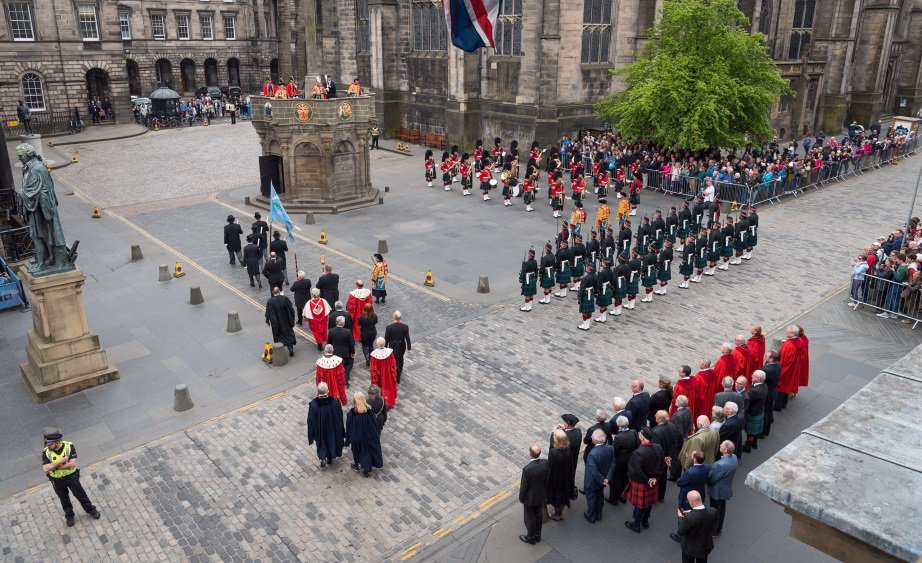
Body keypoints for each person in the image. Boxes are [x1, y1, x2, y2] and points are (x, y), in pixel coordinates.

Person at [16, 144, 69, 273]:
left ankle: (44, 263)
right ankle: (44, 259)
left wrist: (24, 193)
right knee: (38, 236)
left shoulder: (38, 168)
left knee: (40, 236)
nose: (19, 158)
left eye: (21, 156)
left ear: (28, 154)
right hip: (35, 209)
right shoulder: (29, 167)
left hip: (41, 211)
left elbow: (45, 190)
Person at [41, 428, 100, 527]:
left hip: (71, 477)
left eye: (50, 444)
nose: (48, 446)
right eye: (47, 444)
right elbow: (46, 469)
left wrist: (54, 467)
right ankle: (69, 516)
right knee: (64, 499)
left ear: (57, 442)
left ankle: (91, 510)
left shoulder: (69, 446)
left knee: (81, 495)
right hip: (57, 481)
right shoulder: (46, 452)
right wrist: (60, 462)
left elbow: (72, 464)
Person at [622, 428, 664, 533]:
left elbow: (636, 470)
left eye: (640, 434)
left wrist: (647, 480)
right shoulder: (658, 447)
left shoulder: (638, 452)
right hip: (653, 482)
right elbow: (661, 465)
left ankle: (636, 525)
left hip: (641, 482)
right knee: (648, 504)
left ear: (643, 438)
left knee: (639, 506)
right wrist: (655, 479)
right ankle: (645, 521)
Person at [670, 450, 710, 542]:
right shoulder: (707, 467)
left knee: (683, 514)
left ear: (695, 459)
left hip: (687, 497)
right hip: (700, 493)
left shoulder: (690, 472)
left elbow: (680, 483)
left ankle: (680, 535)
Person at [345, 392, 383, 477]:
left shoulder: (351, 414)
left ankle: (356, 465)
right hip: (369, 436)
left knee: (356, 452)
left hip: (357, 437)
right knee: (367, 452)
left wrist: (348, 439)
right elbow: (374, 424)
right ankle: (366, 470)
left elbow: (349, 427)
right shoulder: (370, 412)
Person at [307, 382, 345, 468]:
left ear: (318, 392)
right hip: (332, 428)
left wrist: (312, 433)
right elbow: (339, 415)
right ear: (328, 391)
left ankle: (322, 458)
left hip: (320, 429)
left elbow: (310, 420)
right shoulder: (334, 401)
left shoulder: (314, 404)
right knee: (331, 442)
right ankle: (330, 457)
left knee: (322, 443)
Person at [518, 443, 550, 543]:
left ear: (530, 454)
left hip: (530, 498)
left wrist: (521, 498)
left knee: (530, 518)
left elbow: (524, 486)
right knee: (538, 515)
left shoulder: (527, 469)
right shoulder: (545, 462)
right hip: (540, 495)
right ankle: (537, 535)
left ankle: (531, 537)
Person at [677, 491, 719, 563]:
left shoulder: (689, 518)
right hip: (705, 546)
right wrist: (692, 512)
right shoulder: (713, 511)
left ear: (692, 503)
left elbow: (681, 531)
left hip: (690, 548)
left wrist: (681, 517)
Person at [707, 440, 738, 537]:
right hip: (725, 489)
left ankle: (714, 530)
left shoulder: (720, 465)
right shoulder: (734, 457)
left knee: (715, 510)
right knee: (722, 509)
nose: (720, 445)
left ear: (725, 450)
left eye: (722, 445)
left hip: (717, 491)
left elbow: (712, 479)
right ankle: (719, 529)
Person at [583, 429, 613, 523]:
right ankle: (598, 514)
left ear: (595, 440)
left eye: (592, 436)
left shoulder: (592, 454)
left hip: (593, 481)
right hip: (603, 479)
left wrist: (603, 480)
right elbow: (613, 463)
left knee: (591, 498)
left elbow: (594, 471)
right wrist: (607, 478)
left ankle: (591, 516)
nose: (591, 437)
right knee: (600, 496)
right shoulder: (610, 448)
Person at [606, 416, 637, 506]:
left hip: (619, 462)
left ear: (618, 425)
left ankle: (613, 499)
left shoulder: (619, 438)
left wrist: (613, 440)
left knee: (616, 481)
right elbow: (636, 445)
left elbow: (613, 451)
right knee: (625, 479)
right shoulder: (633, 432)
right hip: (629, 460)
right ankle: (623, 497)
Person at [651, 410, 681, 500]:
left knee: (655, 476)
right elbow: (676, 442)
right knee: (663, 476)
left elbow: (655, 449)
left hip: (659, 458)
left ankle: (653, 495)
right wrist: (669, 456)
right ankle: (661, 495)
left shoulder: (655, 431)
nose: (654, 416)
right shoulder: (672, 426)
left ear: (660, 419)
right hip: (667, 456)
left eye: (656, 416)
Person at [546, 430, 574, 522]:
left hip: (556, 479)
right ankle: (560, 512)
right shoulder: (568, 450)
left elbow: (550, 467)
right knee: (562, 496)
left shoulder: (554, 452)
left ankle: (556, 514)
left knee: (557, 497)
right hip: (565, 477)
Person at [552, 414, 582, 499]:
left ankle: (563, 494)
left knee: (563, 478)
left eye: (564, 422)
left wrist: (555, 432)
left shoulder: (565, 437)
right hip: (573, 459)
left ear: (567, 423)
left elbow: (555, 446)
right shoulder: (578, 431)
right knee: (571, 475)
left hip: (564, 461)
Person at [778, 325, 806, 408]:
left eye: (788, 331)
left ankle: (778, 406)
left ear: (792, 333)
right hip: (792, 369)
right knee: (787, 388)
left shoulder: (789, 345)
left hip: (786, 370)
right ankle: (784, 403)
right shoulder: (799, 341)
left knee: (781, 387)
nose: (786, 332)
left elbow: (784, 360)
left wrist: (779, 371)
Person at [265, 287, 296, 356]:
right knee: (288, 334)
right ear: (279, 291)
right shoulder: (285, 299)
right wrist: (292, 320)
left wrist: (267, 321)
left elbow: (268, 312)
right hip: (286, 321)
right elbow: (291, 309)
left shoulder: (270, 301)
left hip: (276, 323)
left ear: (272, 292)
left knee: (278, 335)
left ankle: (280, 349)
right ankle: (290, 348)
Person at [369, 337, 398, 408]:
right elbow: (393, 364)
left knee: (379, 388)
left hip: (378, 376)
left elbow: (373, 368)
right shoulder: (389, 353)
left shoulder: (374, 355)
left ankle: (380, 402)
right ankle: (389, 402)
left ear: (377, 344)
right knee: (389, 387)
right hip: (388, 375)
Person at [383, 311, 411, 383]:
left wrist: (384, 348)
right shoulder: (405, 327)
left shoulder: (389, 327)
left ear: (394, 317)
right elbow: (407, 337)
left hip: (392, 346)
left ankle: (394, 373)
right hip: (401, 345)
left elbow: (386, 339)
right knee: (400, 358)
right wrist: (409, 347)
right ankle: (399, 372)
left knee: (393, 359)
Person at [327, 316, 355, 386]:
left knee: (336, 366)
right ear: (343, 323)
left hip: (335, 353)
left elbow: (329, 343)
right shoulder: (348, 332)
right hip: (345, 353)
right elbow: (351, 344)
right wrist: (353, 352)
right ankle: (346, 380)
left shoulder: (331, 331)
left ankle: (337, 379)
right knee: (347, 366)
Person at [744, 371, 768, 451]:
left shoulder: (755, 391)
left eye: (753, 376)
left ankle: (748, 446)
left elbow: (747, 399)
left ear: (758, 379)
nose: (751, 376)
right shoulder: (764, 385)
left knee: (750, 432)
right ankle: (755, 443)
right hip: (759, 410)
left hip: (753, 412)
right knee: (756, 431)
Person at [762, 350, 781, 435]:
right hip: (773, 392)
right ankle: (767, 430)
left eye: (767, 356)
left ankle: (763, 432)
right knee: (769, 411)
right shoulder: (777, 365)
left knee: (765, 412)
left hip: (767, 394)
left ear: (771, 359)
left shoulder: (767, 369)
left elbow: (761, 378)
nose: (765, 356)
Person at [519, 248, 539, 312]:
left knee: (527, 294)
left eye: (528, 254)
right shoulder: (535, 261)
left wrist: (521, 278)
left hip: (527, 279)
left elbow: (523, 272)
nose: (528, 255)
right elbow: (536, 271)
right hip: (533, 278)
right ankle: (529, 306)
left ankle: (527, 307)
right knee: (531, 294)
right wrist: (536, 278)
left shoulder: (527, 263)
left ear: (530, 255)